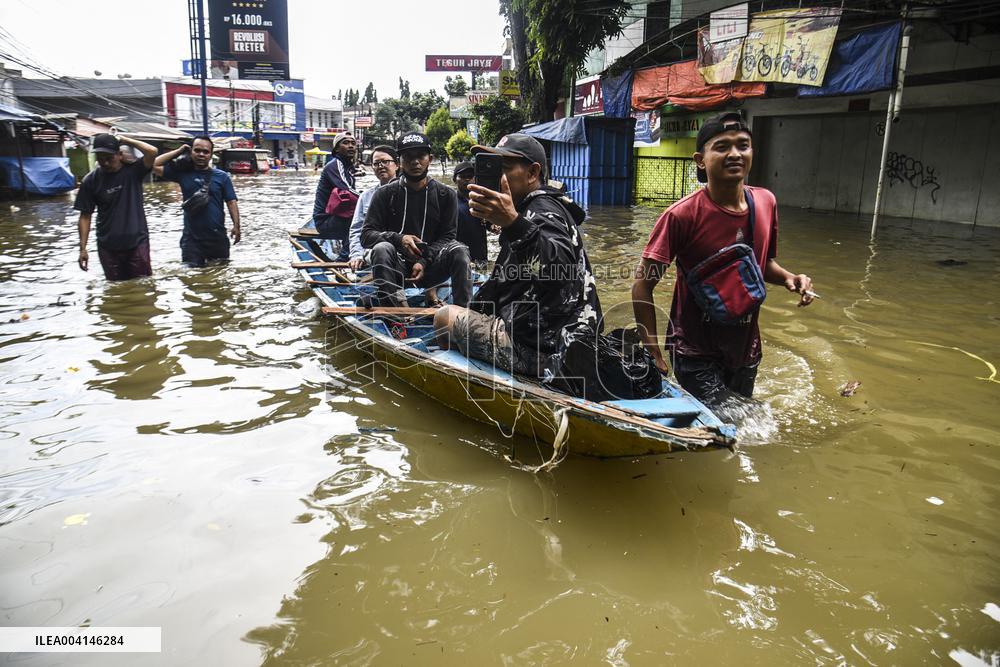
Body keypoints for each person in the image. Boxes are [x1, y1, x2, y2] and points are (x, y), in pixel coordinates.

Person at [631, 111, 815, 407]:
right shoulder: (681, 216)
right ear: (700, 160)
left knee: (740, 427)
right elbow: (642, 286)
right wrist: (653, 350)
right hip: (693, 353)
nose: (734, 154)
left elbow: (761, 264)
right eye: (722, 146)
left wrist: (790, 279)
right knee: (737, 422)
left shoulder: (766, 203)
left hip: (746, 351)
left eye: (743, 145)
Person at [434, 133, 601, 381]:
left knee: (444, 316)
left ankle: (455, 381)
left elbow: (560, 272)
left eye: (504, 168)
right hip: (568, 338)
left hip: (549, 350)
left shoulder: (542, 210)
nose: (494, 177)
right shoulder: (543, 206)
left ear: (533, 173)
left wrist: (513, 224)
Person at [359, 132, 471, 308]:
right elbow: (366, 235)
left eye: (421, 156)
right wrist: (399, 239)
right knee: (381, 248)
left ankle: (463, 314)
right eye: (408, 156)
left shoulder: (446, 195)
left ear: (430, 159)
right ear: (400, 161)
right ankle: (394, 316)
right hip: (397, 267)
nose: (415, 162)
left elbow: (448, 236)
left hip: (432, 265)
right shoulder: (384, 194)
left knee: (459, 249)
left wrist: (423, 261)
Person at [74, 132, 158, 281]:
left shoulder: (134, 172)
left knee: (143, 286)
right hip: (108, 246)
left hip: (137, 243)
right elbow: (85, 216)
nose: (105, 163)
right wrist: (83, 249)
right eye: (100, 159)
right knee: (115, 287)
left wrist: (124, 139)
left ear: (119, 155)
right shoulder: (90, 181)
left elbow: (152, 151)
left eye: (109, 158)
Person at [154, 136, 241, 266]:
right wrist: (179, 150)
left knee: (220, 278)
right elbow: (154, 164)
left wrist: (237, 226)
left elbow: (231, 201)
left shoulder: (222, 177)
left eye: (205, 152)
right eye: (197, 150)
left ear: (211, 155)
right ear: (191, 152)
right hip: (191, 240)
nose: (201, 154)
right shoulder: (182, 174)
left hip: (217, 238)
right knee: (192, 277)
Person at [347, 145, 399, 271]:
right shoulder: (366, 196)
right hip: (373, 254)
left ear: (397, 165)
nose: (380, 166)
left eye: (385, 162)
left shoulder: (410, 192)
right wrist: (356, 255)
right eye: (376, 163)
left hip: (403, 252)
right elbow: (357, 229)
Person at [311, 132, 359, 260]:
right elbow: (347, 189)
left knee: (359, 216)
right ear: (337, 149)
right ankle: (344, 259)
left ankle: (350, 252)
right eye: (346, 143)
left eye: (353, 143)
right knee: (358, 220)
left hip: (336, 217)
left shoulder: (347, 168)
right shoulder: (335, 164)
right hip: (325, 221)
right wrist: (371, 199)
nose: (350, 146)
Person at [452, 160, 489, 266]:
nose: (467, 179)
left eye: (471, 176)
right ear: (455, 180)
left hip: (481, 257)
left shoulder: (483, 200)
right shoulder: (450, 203)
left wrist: (492, 226)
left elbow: (487, 221)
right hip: (460, 257)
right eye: (462, 176)